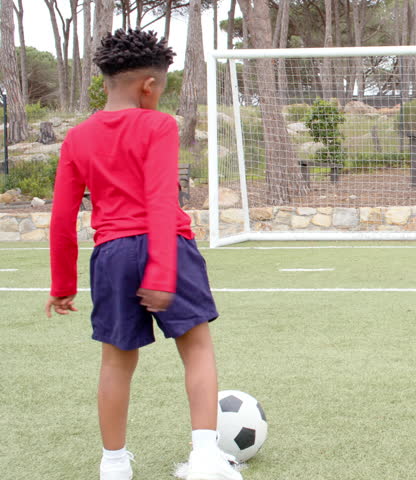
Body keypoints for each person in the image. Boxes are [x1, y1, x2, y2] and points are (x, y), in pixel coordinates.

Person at [45, 29, 241, 480]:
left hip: (111, 255)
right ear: (149, 86)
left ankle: (113, 464)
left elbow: (61, 218)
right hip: (167, 248)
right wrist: (160, 269)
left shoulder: (77, 138)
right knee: (196, 350)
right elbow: (158, 198)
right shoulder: (159, 125)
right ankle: (206, 459)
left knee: (116, 360)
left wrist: (62, 286)